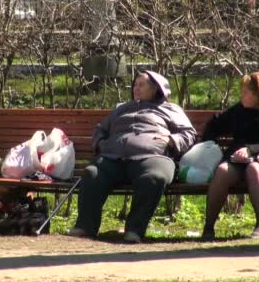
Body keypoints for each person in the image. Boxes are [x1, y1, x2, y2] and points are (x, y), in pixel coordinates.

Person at [67, 71, 197, 243]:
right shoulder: (122, 108)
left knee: (154, 178)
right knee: (92, 173)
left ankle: (134, 230)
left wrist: (171, 140)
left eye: (141, 85)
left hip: (153, 158)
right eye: (135, 84)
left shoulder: (171, 109)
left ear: (155, 89)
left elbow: (188, 133)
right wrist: (100, 144)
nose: (136, 88)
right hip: (113, 158)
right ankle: (85, 227)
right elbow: (100, 130)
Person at [200, 71, 259, 241]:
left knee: (254, 168)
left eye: (245, 92)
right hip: (239, 159)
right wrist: (210, 145)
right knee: (223, 170)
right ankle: (208, 228)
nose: (241, 96)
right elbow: (215, 125)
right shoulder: (240, 110)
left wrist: (252, 150)